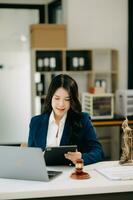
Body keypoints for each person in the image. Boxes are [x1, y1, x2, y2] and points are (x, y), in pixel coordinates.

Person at [28, 74, 104, 165]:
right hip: (44, 175)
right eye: (57, 98)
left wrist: (81, 157)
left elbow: (99, 152)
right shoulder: (36, 122)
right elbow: (30, 156)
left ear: (72, 100)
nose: (61, 104)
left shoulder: (82, 120)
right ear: (50, 97)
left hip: (70, 175)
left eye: (67, 99)